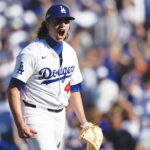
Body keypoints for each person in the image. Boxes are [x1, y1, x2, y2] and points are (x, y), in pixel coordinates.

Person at [8, 3, 88, 150]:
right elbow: (14, 89)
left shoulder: (70, 52)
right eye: (58, 21)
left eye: (66, 21)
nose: (62, 25)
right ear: (47, 24)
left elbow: (74, 88)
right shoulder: (32, 52)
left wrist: (84, 122)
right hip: (36, 114)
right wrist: (19, 123)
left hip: (60, 116)